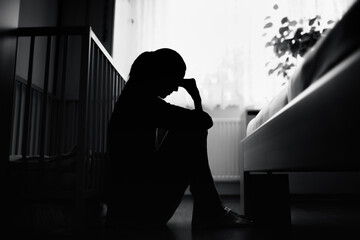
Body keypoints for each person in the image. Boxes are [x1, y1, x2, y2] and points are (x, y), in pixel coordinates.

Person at [106, 48, 252, 230]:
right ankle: (210, 210)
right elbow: (204, 121)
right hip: (139, 213)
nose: (176, 87)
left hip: (128, 209)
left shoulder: (133, 98)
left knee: (190, 129)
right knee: (192, 131)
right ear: (161, 74)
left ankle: (209, 210)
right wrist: (196, 98)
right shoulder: (144, 103)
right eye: (175, 79)